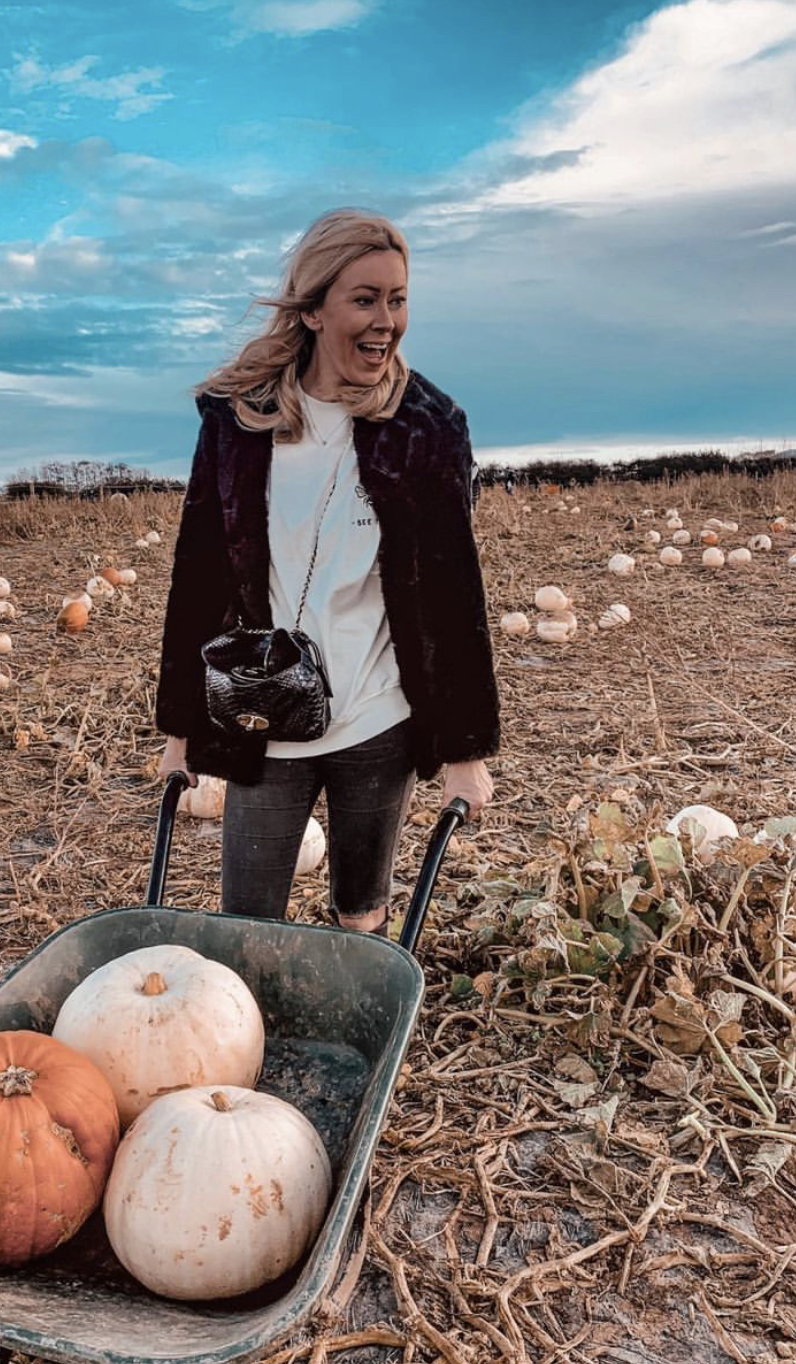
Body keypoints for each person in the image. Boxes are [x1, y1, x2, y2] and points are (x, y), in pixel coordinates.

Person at [156, 207, 499, 937]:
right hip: (264, 719)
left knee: (360, 914)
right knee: (248, 923)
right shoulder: (240, 418)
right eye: (365, 299)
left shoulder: (426, 425)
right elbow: (199, 577)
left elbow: (451, 592)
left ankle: (344, 1015)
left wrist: (465, 752)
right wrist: (181, 728)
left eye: (398, 299)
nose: (386, 321)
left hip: (379, 719)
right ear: (312, 309)